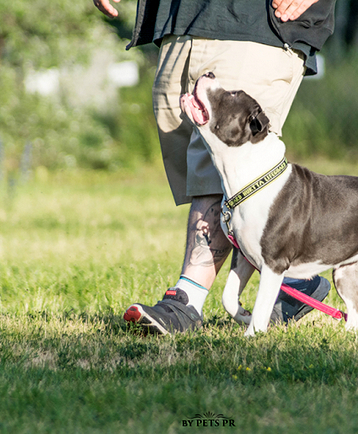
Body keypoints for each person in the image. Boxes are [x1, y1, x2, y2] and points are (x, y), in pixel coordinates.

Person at [93, 0, 337, 334]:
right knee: (190, 152)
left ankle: (187, 301)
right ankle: (296, 280)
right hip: (181, 17)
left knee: (222, 159)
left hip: (258, 21)